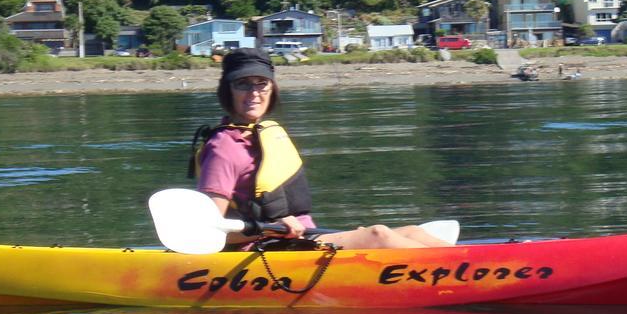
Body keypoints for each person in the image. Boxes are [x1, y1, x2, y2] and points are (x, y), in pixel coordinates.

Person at [192, 48, 449, 249]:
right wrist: (268, 228)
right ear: (228, 90)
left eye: (262, 83)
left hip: (302, 240)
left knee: (415, 232)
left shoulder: (264, 134)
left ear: (272, 88)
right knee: (377, 234)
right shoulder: (223, 147)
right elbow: (209, 229)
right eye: (243, 84)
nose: (254, 93)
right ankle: (469, 274)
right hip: (262, 249)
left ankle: (478, 268)